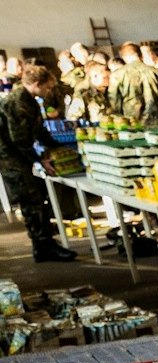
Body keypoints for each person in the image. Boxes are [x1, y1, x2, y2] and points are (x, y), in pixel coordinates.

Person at [1, 66, 78, 262]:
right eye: (48, 87)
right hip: (11, 157)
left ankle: (44, 244)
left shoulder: (29, 101)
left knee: (37, 199)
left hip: (19, 155)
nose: (49, 91)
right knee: (31, 201)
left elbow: (38, 130)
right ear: (37, 84)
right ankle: (43, 246)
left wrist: (56, 147)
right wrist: (40, 159)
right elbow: (20, 139)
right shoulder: (18, 102)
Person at [108, 42, 158, 124]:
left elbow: (114, 102)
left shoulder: (117, 75)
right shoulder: (157, 72)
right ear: (140, 54)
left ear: (123, 57)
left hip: (133, 122)